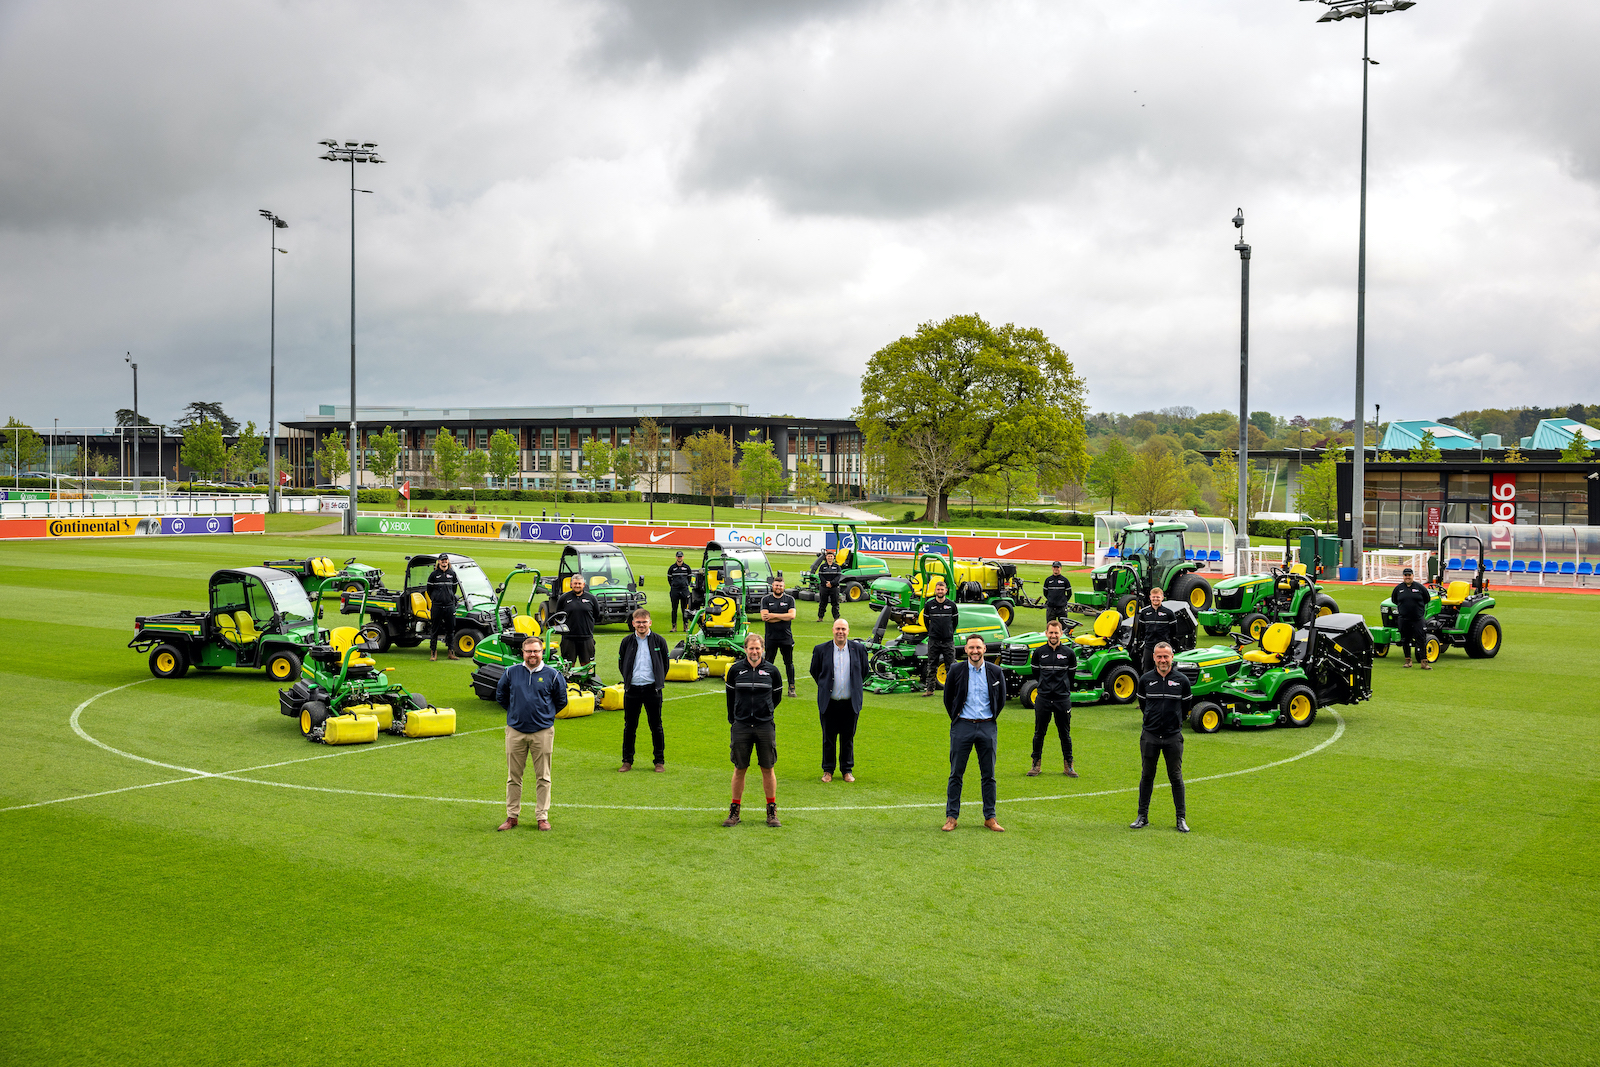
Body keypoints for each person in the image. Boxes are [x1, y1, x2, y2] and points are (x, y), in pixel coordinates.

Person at [494, 634, 567, 832]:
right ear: (522, 653)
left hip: (542, 732)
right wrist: (515, 714)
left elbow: (562, 700)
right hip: (515, 732)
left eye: (536, 651)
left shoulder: (553, 674)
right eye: (529, 651)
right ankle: (512, 816)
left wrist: (545, 716)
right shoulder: (511, 672)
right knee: (513, 777)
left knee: (543, 777)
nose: (532, 654)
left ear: (542, 652)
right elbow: (501, 696)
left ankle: (542, 817)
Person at [942, 634, 1007, 832]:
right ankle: (951, 817)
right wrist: (957, 718)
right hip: (963, 726)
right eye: (971, 648)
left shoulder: (996, 672)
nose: (975, 651)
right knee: (956, 774)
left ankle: (990, 817)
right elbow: (948, 698)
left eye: (978, 647)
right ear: (966, 650)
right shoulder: (956, 669)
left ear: (984, 649)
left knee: (989, 775)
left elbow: (1001, 699)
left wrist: (990, 718)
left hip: (987, 726)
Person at [722, 633, 785, 827]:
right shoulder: (735, 670)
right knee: (740, 768)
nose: (754, 651)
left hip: (764, 725)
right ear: (745, 649)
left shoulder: (773, 671)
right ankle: (734, 811)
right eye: (751, 648)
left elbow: (777, 698)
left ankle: (771, 811)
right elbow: (730, 698)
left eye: (758, 648)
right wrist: (735, 719)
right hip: (741, 725)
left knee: (768, 768)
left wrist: (764, 713)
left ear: (763, 649)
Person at [1131, 641, 1189, 833]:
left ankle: (1181, 818)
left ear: (1172, 657)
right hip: (1150, 736)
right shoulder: (1145, 680)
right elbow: (1144, 705)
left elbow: (1186, 708)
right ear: (1153, 658)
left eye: (1166, 656)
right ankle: (1142, 816)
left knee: (1176, 777)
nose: (1163, 660)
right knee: (1147, 776)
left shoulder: (1182, 681)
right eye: (1159, 656)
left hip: (1173, 737)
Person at [809, 618, 868, 783]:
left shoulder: (859, 649)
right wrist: (825, 687)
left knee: (848, 737)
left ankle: (847, 770)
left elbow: (863, 671)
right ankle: (828, 770)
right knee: (828, 737)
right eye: (837, 629)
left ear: (848, 631)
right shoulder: (821, 649)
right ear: (833, 630)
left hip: (850, 702)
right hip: (829, 702)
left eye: (843, 629)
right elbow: (816, 671)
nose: (840, 632)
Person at [617, 608, 670, 772]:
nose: (641, 625)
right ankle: (627, 761)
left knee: (656, 726)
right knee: (630, 726)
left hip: (652, 690)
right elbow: (622, 663)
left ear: (650, 623)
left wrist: (658, 681)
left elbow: (665, 664)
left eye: (644, 622)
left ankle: (659, 761)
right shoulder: (626, 641)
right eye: (638, 622)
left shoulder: (659, 641)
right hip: (632, 690)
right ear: (633, 623)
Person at [1028, 617, 1079, 778]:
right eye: (1051, 632)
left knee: (1065, 733)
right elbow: (1036, 673)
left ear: (1061, 633)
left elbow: (1071, 676)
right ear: (1046, 633)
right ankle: (1036, 764)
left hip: (1062, 698)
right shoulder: (1038, 653)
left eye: (1056, 633)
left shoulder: (1069, 653)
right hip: (1042, 698)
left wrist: (1061, 689)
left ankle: (1068, 766)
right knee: (1039, 733)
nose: (1053, 635)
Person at [920, 579, 960, 697]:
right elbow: (927, 622)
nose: (940, 591)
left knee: (951, 666)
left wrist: (949, 633)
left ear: (946, 591)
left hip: (948, 641)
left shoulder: (952, 605)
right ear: (935, 591)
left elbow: (955, 622)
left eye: (942, 589)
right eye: (938, 589)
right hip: (934, 640)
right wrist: (932, 632)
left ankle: (951, 690)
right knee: (931, 665)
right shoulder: (929, 605)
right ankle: (930, 689)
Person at [760, 574, 798, 698]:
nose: (778, 587)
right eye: (776, 585)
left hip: (786, 638)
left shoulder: (789, 599)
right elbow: (765, 618)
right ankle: (766, 686)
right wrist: (783, 616)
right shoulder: (765, 599)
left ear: (784, 587)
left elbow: (792, 616)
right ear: (772, 586)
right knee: (768, 663)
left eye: (780, 586)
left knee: (789, 663)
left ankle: (791, 687)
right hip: (771, 638)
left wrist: (773, 615)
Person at [555, 574, 601, 673]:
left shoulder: (591, 598)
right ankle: (569, 684)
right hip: (568, 638)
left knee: (587, 665)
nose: (577, 585)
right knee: (568, 666)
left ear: (583, 584)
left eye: (579, 583)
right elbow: (558, 616)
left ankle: (587, 684)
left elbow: (596, 615)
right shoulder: (564, 598)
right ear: (571, 584)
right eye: (575, 583)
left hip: (586, 637)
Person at [1391, 567, 1432, 669]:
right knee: (1405, 640)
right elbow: (1394, 600)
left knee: (1421, 639)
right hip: (1404, 619)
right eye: (1406, 575)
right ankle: (1408, 661)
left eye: (1409, 575)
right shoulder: (1398, 589)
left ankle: (1424, 662)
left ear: (1413, 576)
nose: (1407, 577)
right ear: (1403, 576)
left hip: (1417, 619)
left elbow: (1427, 599)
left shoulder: (1420, 587)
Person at [1133, 586, 1178, 673]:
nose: (1155, 599)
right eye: (1153, 597)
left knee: (1165, 669)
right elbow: (1141, 630)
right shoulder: (1144, 613)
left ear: (1162, 597)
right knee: (1147, 670)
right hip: (1149, 646)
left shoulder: (1169, 613)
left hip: (1164, 647)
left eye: (1158, 597)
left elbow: (1174, 631)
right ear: (1150, 597)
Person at [667, 551, 693, 632]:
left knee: (684, 609)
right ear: (676, 557)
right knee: (674, 609)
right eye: (678, 556)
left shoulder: (687, 568)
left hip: (684, 590)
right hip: (675, 590)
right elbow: (669, 579)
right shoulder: (672, 568)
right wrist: (674, 585)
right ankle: (674, 627)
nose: (679, 558)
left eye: (681, 556)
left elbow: (689, 579)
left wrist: (685, 585)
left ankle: (685, 627)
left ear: (683, 557)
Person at [815, 549, 842, 622]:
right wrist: (826, 583)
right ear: (826, 557)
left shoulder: (837, 567)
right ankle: (820, 617)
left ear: (833, 557)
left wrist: (831, 583)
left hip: (834, 587)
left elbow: (838, 577)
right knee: (823, 603)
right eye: (828, 556)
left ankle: (836, 618)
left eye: (831, 556)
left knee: (835, 603)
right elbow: (820, 576)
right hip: (824, 587)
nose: (830, 558)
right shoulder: (822, 566)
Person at [1042, 561, 1071, 627]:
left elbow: (1069, 593)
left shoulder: (1065, 580)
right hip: (1051, 608)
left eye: (1057, 567)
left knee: (1063, 627)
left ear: (1060, 568)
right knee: (1050, 627)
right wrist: (1050, 600)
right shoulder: (1048, 580)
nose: (1056, 569)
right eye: (1054, 567)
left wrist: (1063, 601)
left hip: (1061, 608)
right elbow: (1045, 593)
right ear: (1052, 568)